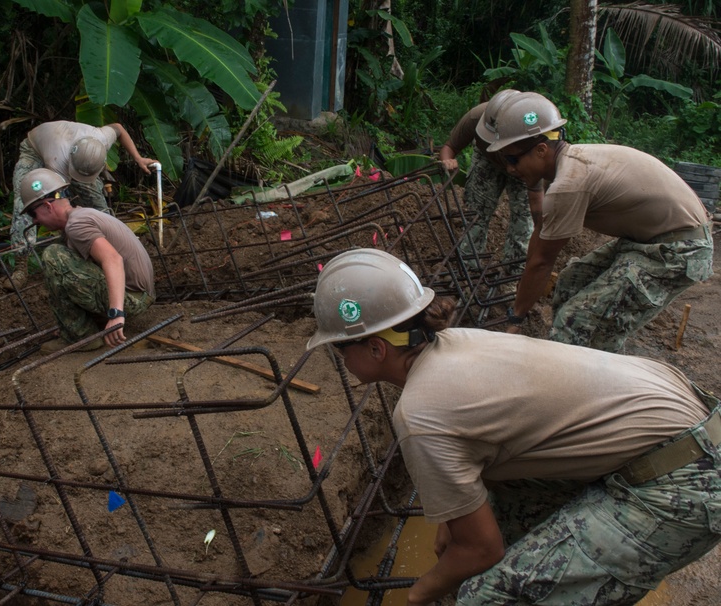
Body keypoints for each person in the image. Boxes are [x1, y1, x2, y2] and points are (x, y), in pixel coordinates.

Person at [307, 248, 721, 606]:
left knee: (488, 597)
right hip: (689, 419)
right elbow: (473, 510)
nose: (338, 359)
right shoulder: (458, 343)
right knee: (500, 512)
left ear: (377, 348)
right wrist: (454, 528)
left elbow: (482, 550)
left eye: (339, 348)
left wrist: (417, 596)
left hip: (683, 477)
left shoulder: (420, 414)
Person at [487, 92, 713, 353]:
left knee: (576, 321)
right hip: (647, 240)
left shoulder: (568, 185)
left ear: (540, 150)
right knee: (570, 281)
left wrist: (516, 319)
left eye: (512, 159)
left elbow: (541, 262)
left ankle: (587, 372)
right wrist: (520, 309)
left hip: (680, 249)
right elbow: (539, 240)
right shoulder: (567, 165)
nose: (510, 169)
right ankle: (577, 353)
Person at [7, 120, 159, 288]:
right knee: (27, 204)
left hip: (79, 160)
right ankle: (21, 266)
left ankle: (109, 254)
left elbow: (119, 128)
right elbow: (58, 207)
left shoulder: (101, 138)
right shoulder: (56, 160)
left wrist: (138, 158)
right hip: (35, 152)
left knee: (97, 203)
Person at [19, 168, 155, 349]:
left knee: (53, 255)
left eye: (32, 214)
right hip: (139, 295)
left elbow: (113, 259)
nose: (34, 221)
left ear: (47, 206)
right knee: (62, 253)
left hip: (133, 299)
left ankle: (82, 337)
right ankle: (80, 327)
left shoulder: (77, 224)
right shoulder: (81, 216)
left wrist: (116, 314)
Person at [438, 89, 540, 273]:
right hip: (488, 160)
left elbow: (542, 173)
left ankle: (513, 275)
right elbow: (450, 146)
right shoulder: (477, 117)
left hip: (524, 166)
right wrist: (447, 161)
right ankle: (468, 269)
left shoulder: (534, 125)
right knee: (475, 214)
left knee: (524, 221)